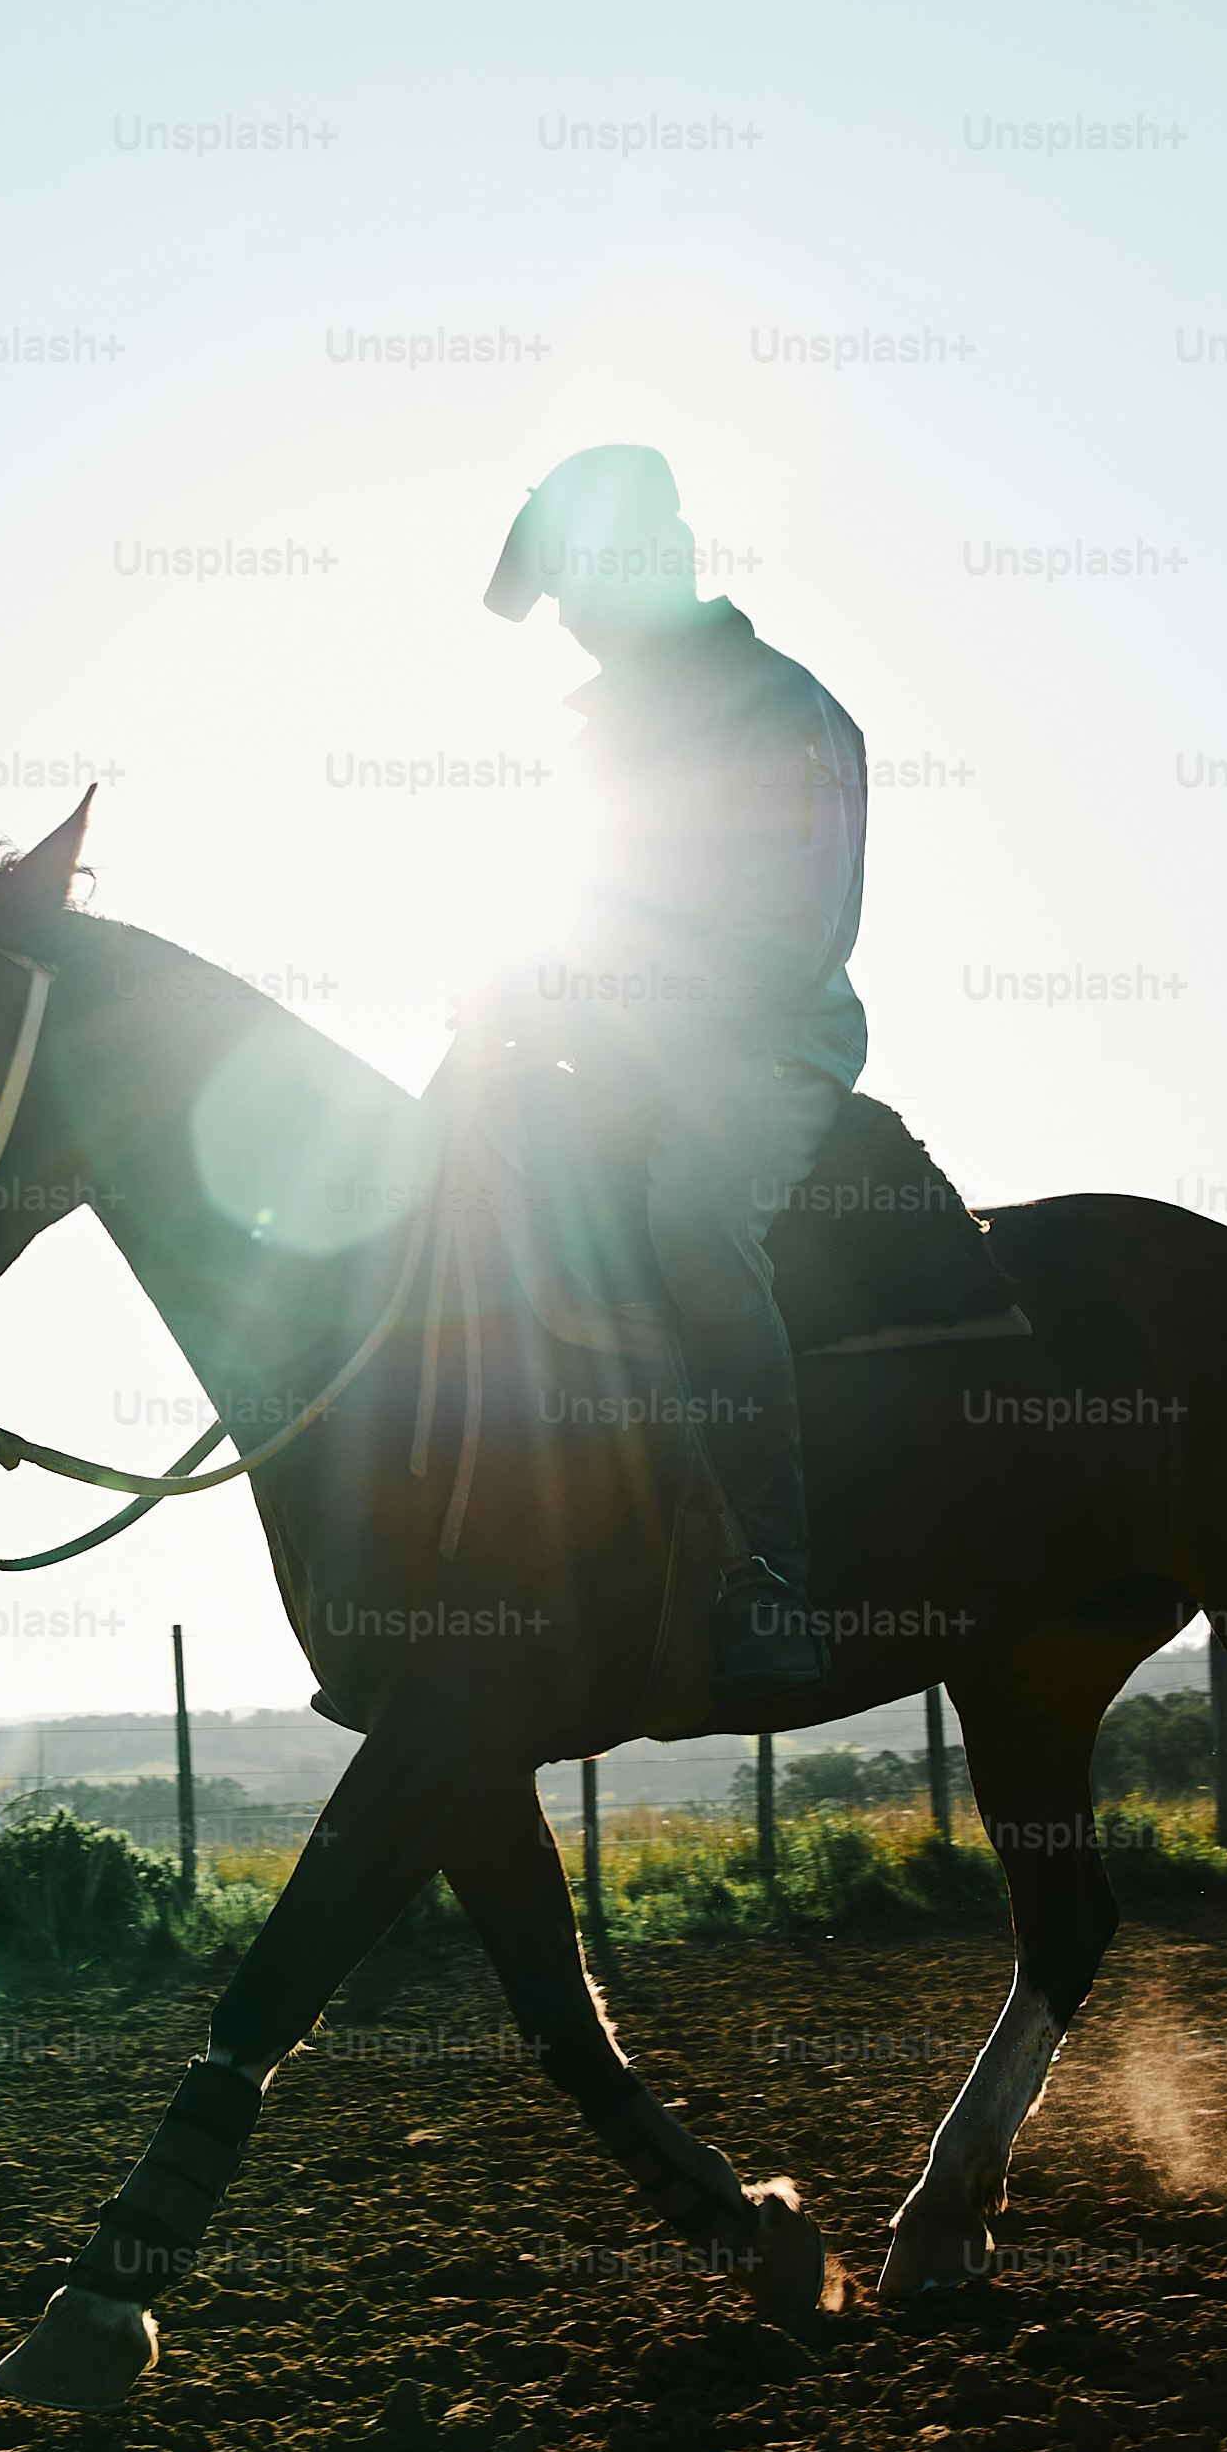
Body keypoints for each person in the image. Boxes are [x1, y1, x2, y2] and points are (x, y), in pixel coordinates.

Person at [466, 445, 865, 1704]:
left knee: (693, 1221)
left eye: (577, 587)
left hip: (766, 1048)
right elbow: (584, 905)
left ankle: (769, 1576)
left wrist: (610, 1008)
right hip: (626, 1055)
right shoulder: (604, 733)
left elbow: (789, 932)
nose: (571, 622)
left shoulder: (783, 709)